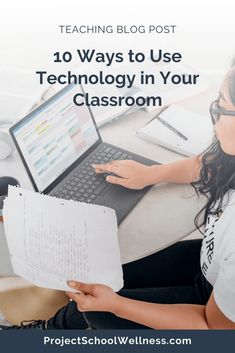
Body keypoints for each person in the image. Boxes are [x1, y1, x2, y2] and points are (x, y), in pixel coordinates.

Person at [1, 66, 235, 330]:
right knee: (98, 277)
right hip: (211, 268)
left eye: (221, 107)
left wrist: (116, 305)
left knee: (101, 313)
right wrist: (150, 173)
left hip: (213, 314)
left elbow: (215, 328)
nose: (212, 115)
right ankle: (49, 329)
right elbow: (213, 165)